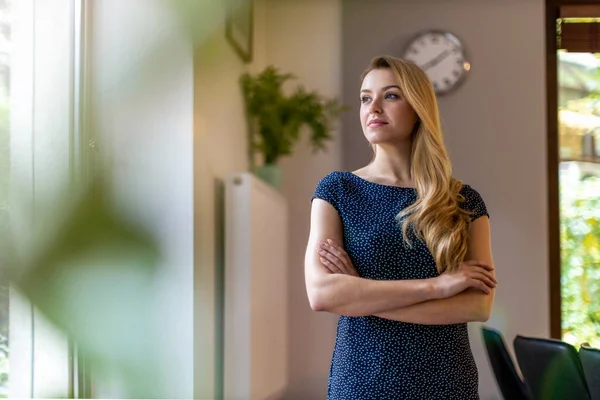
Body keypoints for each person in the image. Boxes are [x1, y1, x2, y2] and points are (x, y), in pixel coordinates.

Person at [304, 55, 496, 400]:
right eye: (365, 98)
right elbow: (322, 294)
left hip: (446, 384)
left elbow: (477, 306)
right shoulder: (337, 190)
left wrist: (359, 294)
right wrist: (436, 288)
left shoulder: (464, 200)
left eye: (390, 95)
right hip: (362, 383)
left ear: (418, 108)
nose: (373, 107)